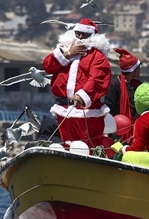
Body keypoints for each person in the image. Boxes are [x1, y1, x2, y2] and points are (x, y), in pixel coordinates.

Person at [42, 17, 112, 148]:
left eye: (84, 34)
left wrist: (82, 95)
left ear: (92, 36)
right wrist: (68, 54)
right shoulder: (64, 50)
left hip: (88, 112)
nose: (80, 37)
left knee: (87, 146)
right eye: (77, 33)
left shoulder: (97, 56)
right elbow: (47, 66)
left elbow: (98, 78)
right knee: (67, 145)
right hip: (64, 109)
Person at [105, 48, 142, 121]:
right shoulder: (114, 85)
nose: (140, 69)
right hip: (118, 127)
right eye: (138, 67)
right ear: (132, 70)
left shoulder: (138, 85)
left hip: (135, 127)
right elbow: (109, 109)